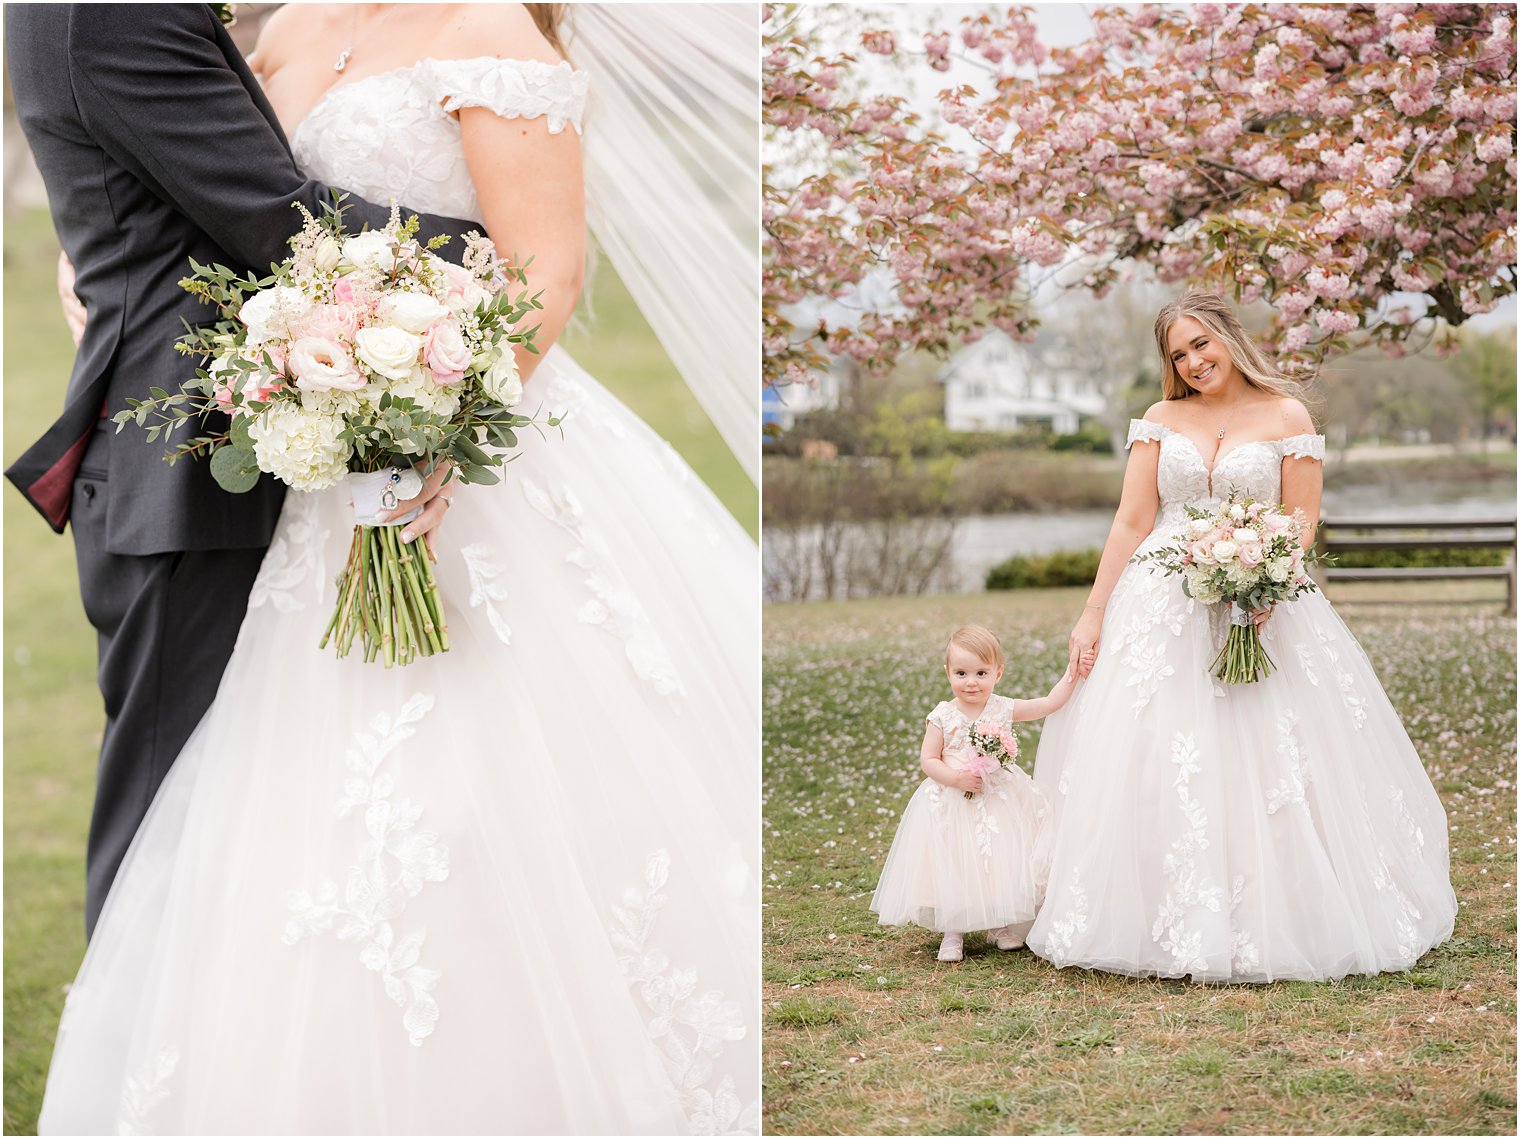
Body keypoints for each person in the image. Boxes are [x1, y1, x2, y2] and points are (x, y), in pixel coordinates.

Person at [35, 4, 759, 1134]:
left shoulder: (493, 38)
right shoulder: (280, 32)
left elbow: (543, 274)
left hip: (466, 454)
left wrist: (445, 421)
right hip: (316, 465)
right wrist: (106, 268)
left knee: (488, 786)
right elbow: (229, 211)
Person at [4, 1, 481, 940]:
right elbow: (278, 220)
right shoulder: (110, 14)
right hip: (183, 476)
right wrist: (493, 243)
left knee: (234, 821)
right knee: (161, 822)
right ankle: (128, 1073)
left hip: (228, 455)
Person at [1025, 289, 1456, 983]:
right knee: (1156, 750)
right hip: (1159, 600)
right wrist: (1093, 611)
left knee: (1272, 749)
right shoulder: (1161, 419)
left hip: (1262, 598)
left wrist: (1270, 586)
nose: (1194, 361)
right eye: (1178, 354)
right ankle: (1150, 907)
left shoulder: (1286, 413)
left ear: (1228, 334)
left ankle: (1283, 903)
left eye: (1201, 343)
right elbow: (1132, 520)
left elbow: (1302, 519)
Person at [871, 625, 1089, 963]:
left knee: (999, 860)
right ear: (948, 673)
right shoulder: (943, 716)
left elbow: (1048, 703)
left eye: (981, 673)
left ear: (997, 673)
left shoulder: (1002, 708)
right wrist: (956, 778)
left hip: (998, 799)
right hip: (953, 801)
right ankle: (953, 929)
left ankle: (998, 925)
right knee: (957, 861)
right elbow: (928, 759)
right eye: (961, 673)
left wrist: (1071, 673)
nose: (971, 681)